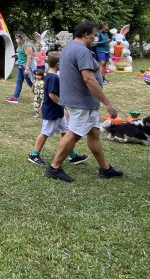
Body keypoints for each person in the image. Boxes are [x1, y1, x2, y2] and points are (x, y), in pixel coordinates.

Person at [44, 21, 122, 182]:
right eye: (94, 34)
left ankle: (105, 168)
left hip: (81, 101)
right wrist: (108, 104)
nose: (96, 36)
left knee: (93, 133)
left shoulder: (69, 49)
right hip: (82, 102)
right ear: (86, 34)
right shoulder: (81, 51)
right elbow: (89, 79)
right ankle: (54, 167)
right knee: (74, 134)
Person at [28, 51, 88, 167]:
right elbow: (51, 95)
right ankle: (34, 154)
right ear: (58, 64)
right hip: (51, 111)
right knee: (45, 133)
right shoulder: (54, 78)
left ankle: (72, 156)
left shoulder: (51, 75)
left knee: (66, 133)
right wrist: (63, 104)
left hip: (58, 113)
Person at [5, 31, 35, 104]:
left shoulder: (27, 45)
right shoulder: (20, 44)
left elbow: (29, 57)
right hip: (20, 66)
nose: (16, 39)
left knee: (31, 83)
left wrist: (27, 69)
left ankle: (40, 98)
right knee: (19, 82)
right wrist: (17, 55)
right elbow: (21, 54)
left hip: (26, 67)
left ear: (22, 38)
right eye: (16, 38)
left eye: (17, 38)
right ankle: (15, 98)